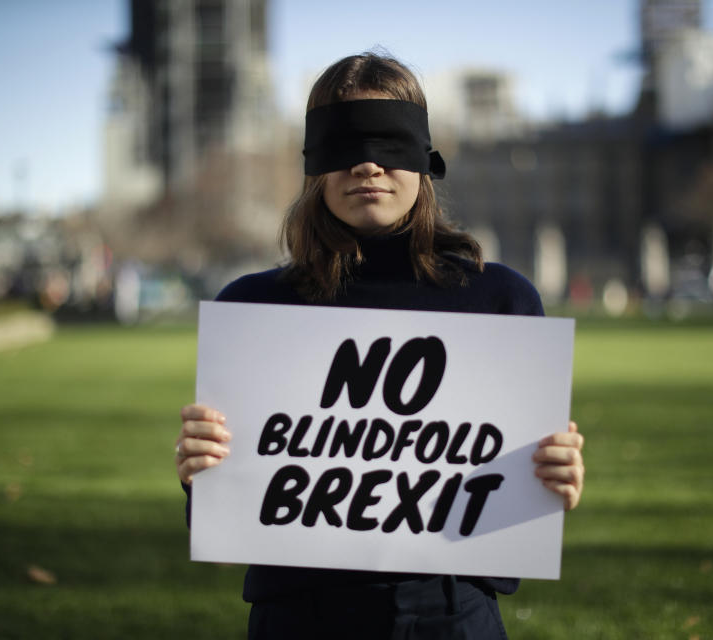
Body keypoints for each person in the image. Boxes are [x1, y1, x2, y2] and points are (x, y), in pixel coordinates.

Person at [174, 52, 585, 640]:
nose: (367, 163)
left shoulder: (500, 302)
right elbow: (224, 525)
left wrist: (552, 480)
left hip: (450, 615)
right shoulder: (252, 311)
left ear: (425, 158)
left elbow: (512, 512)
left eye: (389, 142)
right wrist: (200, 472)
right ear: (314, 163)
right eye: (343, 144)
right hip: (298, 617)